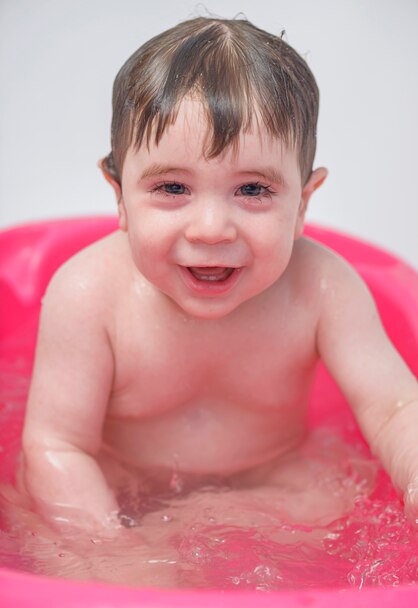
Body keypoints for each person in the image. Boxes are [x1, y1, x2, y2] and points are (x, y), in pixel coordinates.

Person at [21, 16, 418, 534]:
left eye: (252, 190)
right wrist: (114, 554)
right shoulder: (89, 295)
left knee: (328, 499)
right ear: (118, 195)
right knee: (33, 506)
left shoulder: (324, 289)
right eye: (171, 188)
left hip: (276, 483)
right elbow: (57, 446)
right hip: (120, 489)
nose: (210, 229)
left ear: (303, 203)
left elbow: (394, 408)